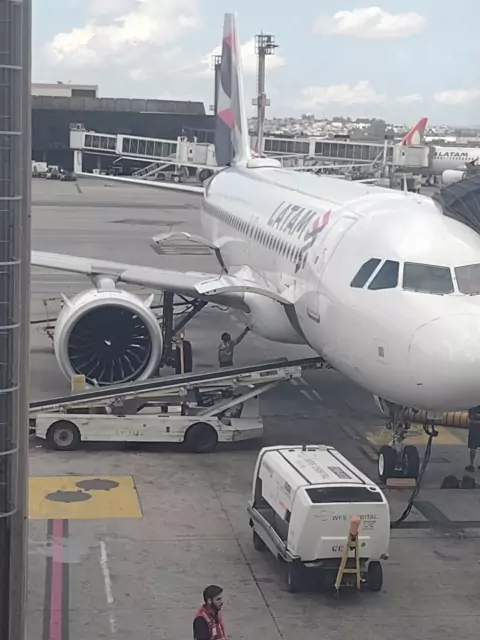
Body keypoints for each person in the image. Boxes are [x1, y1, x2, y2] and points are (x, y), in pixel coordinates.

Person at [465, 405, 480, 472]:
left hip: (474, 430)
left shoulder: (472, 408)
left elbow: (470, 418)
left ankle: (471, 465)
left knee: (473, 448)